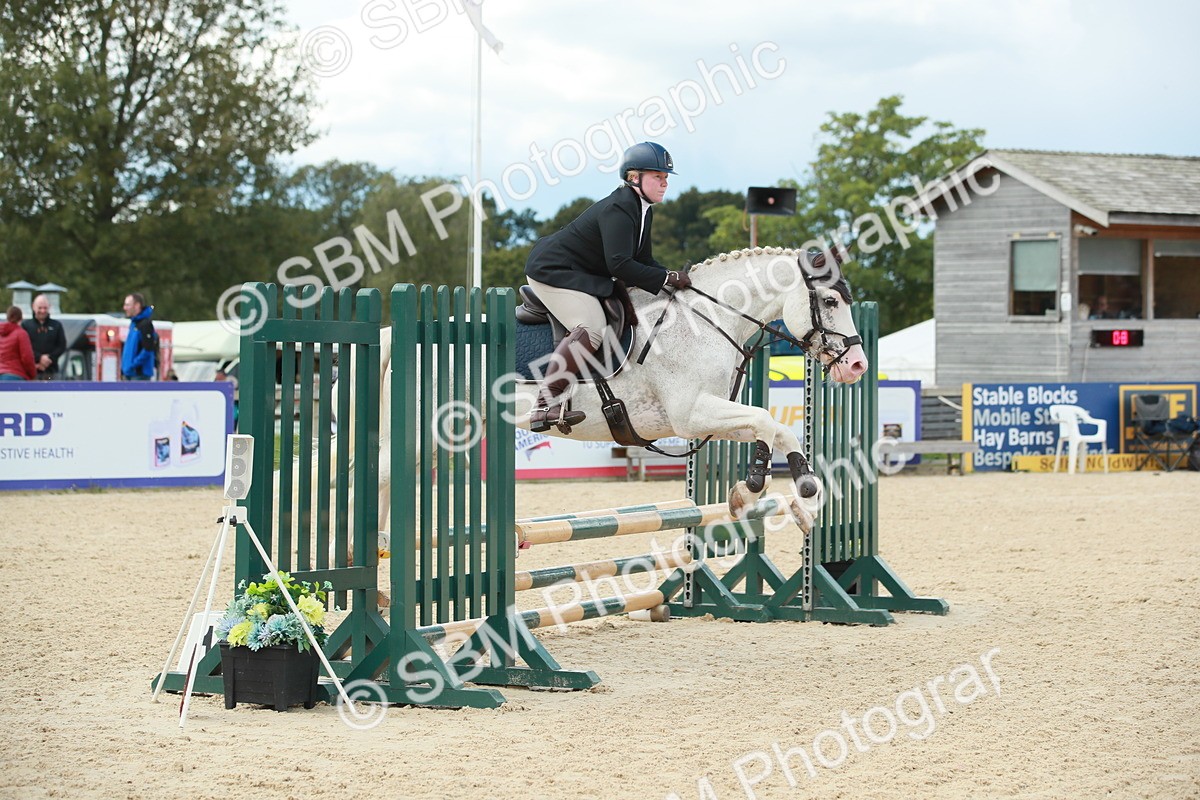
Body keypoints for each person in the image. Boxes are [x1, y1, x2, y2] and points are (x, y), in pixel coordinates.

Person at [523, 141, 692, 433]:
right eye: (658, 177)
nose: (664, 184)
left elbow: (643, 259)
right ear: (633, 178)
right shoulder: (619, 208)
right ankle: (542, 405)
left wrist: (668, 276)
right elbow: (620, 266)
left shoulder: (642, 210)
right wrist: (665, 279)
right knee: (591, 328)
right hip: (553, 272)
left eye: (666, 178)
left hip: (582, 272)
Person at [21, 293, 68, 381]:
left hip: (52, 372)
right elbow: (24, 348)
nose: (42, 311)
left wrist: (49, 359)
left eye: (45, 308)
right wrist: (39, 358)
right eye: (40, 308)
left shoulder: (56, 325)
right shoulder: (25, 325)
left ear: (49, 307)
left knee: (52, 393)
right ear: (33, 306)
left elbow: (62, 346)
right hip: (31, 372)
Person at [121, 292, 158, 380]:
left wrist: (133, 365)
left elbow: (148, 349)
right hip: (130, 374)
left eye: (127, 305)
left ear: (137, 306)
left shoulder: (145, 324)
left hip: (139, 375)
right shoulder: (134, 324)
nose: (124, 308)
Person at [0, 306, 37, 381]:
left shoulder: (1, 334)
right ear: (21, 318)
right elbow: (27, 358)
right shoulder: (21, 334)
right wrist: (33, 374)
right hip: (15, 375)